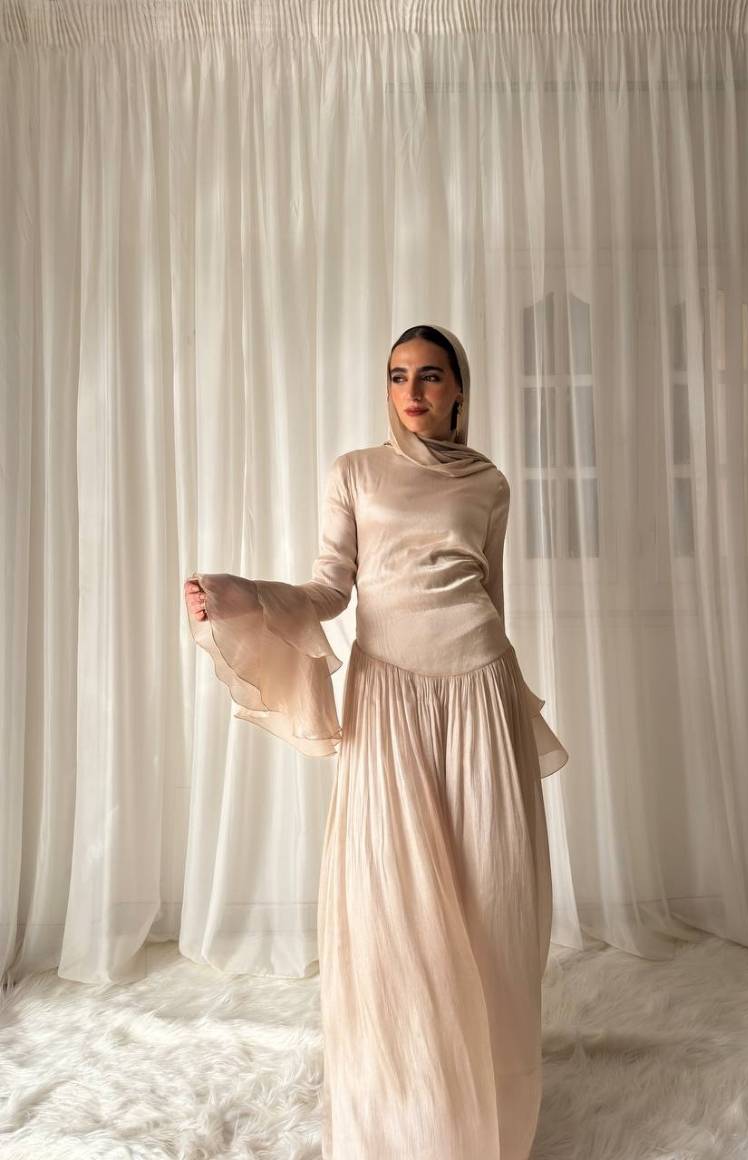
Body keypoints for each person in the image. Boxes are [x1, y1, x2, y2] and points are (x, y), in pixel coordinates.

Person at [183, 323, 569, 1159]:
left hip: (481, 692)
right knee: (392, 906)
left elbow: (490, 593)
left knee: (493, 897)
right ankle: (407, 1111)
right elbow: (329, 590)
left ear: (459, 388)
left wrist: (504, 697)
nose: (413, 392)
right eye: (398, 376)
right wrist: (244, 594)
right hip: (389, 697)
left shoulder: (490, 483)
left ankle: (489, 1109)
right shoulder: (355, 473)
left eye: (430, 375)